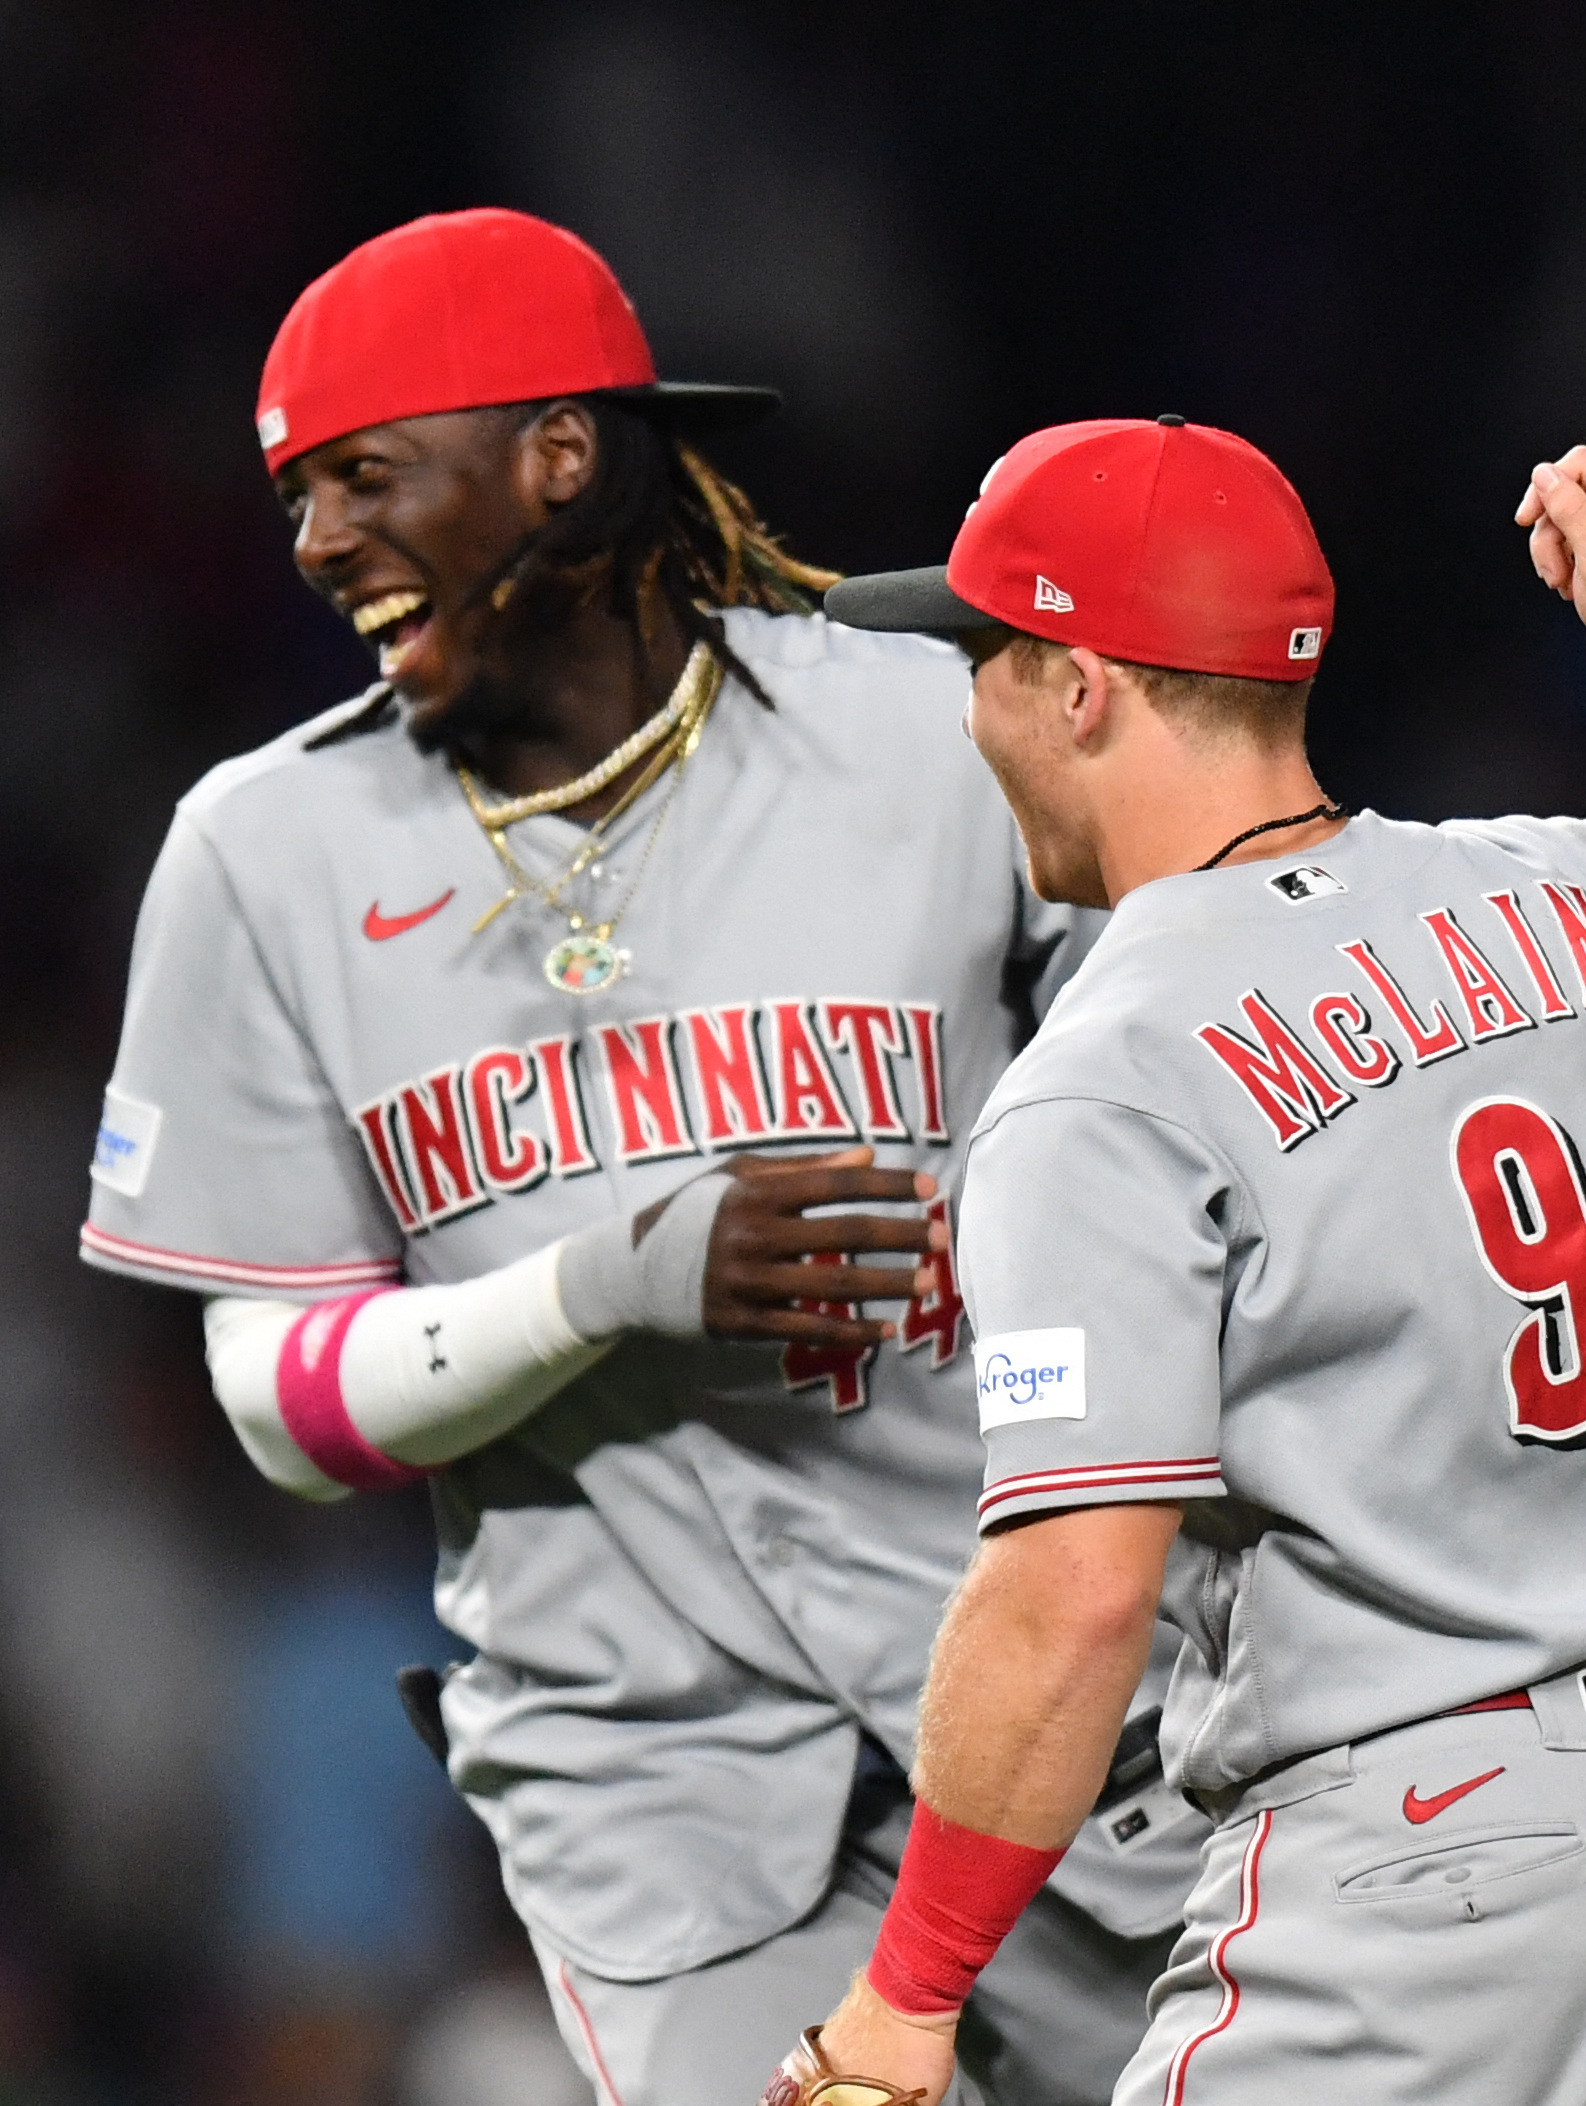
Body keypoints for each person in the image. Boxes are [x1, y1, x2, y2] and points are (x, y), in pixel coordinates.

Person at [76, 208, 1200, 2106]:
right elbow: (277, 1398)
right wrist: (611, 1283)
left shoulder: (935, 730)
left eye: (364, 477)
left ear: (561, 459)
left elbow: (1211, 1129)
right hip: (653, 1784)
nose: (314, 540)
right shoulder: (260, 850)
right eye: (295, 496)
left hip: (1071, 1694)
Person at [747, 413, 1586, 2106]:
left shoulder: (1106, 1075)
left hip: (1412, 1890)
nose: (968, 706)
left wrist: (906, 1993)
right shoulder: (1584, 891)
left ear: (1082, 685)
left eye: (985, 656)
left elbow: (1075, 1585)